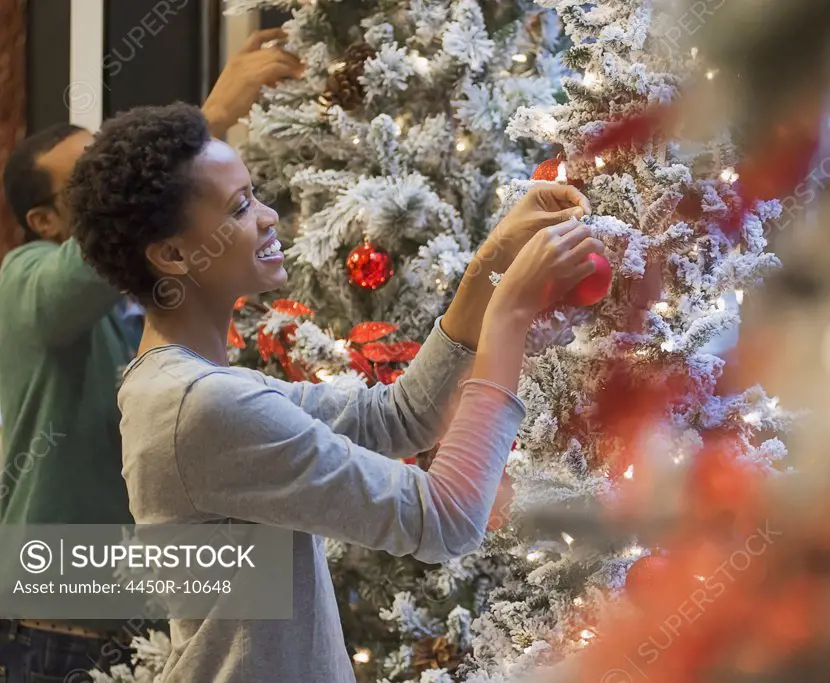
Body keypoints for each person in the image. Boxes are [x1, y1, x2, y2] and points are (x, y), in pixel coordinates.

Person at [67, 101, 604, 682]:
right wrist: (510, 315)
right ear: (172, 255)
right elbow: (445, 518)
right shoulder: (199, 406)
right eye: (240, 206)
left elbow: (398, 418)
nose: (268, 216)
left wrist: (492, 260)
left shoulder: (185, 385)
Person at [0, 29, 302, 681]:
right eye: (88, 184)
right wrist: (207, 122)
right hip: (62, 613)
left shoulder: (168, 285)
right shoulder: (25, 277)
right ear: (45, 222)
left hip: (150, 611)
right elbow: (67, 293)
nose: (116, 186)